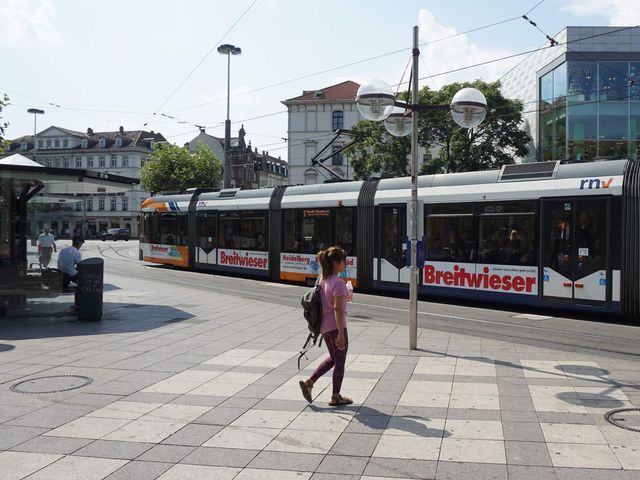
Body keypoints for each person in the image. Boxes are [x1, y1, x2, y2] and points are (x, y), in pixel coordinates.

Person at [299, 246, 353, 407]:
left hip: (324, 326)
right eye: (344, 261)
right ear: (336, 263)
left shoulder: (321, 279)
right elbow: (337, 308)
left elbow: (328, 302)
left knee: (334, 358)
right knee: (340, 362)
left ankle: (310, 383)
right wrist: (341, 334)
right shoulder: (338, 283)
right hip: (336, 327)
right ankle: (335, 397)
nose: (346, 264)